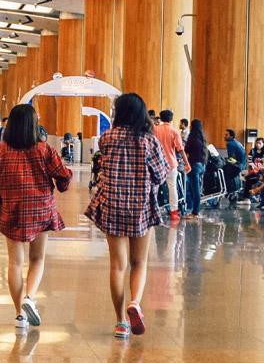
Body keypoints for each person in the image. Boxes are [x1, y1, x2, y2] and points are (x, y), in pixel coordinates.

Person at [0, 103, 71, 329]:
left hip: (13, 209)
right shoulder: (44, 149)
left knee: (15, 262)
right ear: (33, 124)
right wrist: (64, 182)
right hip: (41, 209)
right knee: (37, 258)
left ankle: (19, 315)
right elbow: (63, 175)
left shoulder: (2, 149)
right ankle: (30, 297)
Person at [88, 94, 173, 339]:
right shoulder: (149, 140)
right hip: (140, 207)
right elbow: (159, 175)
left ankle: (120, 322)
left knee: (117, 264)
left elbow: (102, 167)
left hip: (112, 204)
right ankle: (134, 302)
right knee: (139, 262)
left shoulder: (106, 138)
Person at [153, 110, 187, 219]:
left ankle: (154, 210)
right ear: (171, 119)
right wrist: (187, 163)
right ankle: (174, 212)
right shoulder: (174, 131)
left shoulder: (154, 129)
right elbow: (180, 150)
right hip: (171, 163)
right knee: (172, 188)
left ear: (161, 118)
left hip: (157, 163)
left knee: (155, 187)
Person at [183, 119, 210, 216]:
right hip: (202, 165)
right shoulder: (203, 138)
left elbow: (186, 150)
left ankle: (195, 211)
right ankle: (194, 208)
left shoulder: (192, 137)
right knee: (196, 188)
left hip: (194, 165)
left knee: (195, 190)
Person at [225, 129, 247, 198]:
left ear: (231, 136)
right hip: (242, 166)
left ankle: (229, 191)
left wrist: (225, 160)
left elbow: (231, 158)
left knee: (222, 170)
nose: (224, 136)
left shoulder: (230, 144)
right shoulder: (237, 142)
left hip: (237, 166)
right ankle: (235, 190)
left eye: (226, 135)